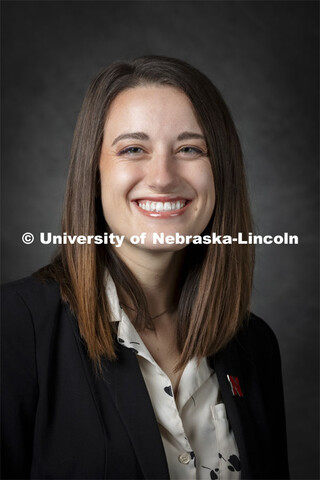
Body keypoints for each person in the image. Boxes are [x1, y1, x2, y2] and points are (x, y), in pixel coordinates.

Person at [1, 55, 290, 480]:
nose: (162, 176)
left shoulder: (255, 346)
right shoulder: (12, 328)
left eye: (189, 149)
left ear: (221, 171)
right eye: (133, 149)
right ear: (93, 172)